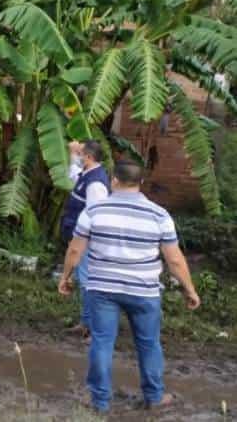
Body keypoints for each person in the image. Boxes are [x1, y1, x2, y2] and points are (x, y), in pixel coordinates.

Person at [58, 159, 201, 413]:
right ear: (141, 183)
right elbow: (175, 259)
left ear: (114, 180)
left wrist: (66, 277)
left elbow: (75, 249)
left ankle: (99, 401)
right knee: (148, 343)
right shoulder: (159, 214)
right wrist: (189, 290)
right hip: (143, 291)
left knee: (101, 342)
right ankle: (154, 397)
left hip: (102, 289)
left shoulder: (93, 212)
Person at [60, 140, 110, 337]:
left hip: (87, 241)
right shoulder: (87, 175)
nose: (78, 156)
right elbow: (74, 176)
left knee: (88, 282)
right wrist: (73, 154)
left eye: (80, 154)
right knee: (84, 281)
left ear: (88, 158)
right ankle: (85, 323)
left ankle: (90, 327)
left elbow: (95, 216)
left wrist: (83, 243)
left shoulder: (96, 183)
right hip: (80, 238)